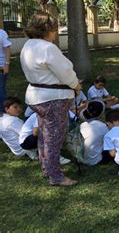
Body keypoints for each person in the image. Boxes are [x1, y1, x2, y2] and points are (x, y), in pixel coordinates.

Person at [20, 12, 81, 186]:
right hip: (52, 98)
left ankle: (47, 168)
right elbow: (65, 72)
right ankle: (56, 176)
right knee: (54, 137)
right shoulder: (47, 48)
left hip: (36, 97)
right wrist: (76, 85)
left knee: (45, 135)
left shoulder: (28, 46)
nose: (56, 33)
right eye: (54, 30)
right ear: (47, 30)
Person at [80, 100, 110, 166]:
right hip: (94, 160)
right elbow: (109, 141)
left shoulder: (82, 125)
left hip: (80, 158)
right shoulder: (102, 126)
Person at [0, 28, 12, 111]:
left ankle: (4, 111)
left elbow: (7, 49)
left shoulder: (2, 33)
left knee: (1, 89)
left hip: (1, 66)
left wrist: (6, 64)